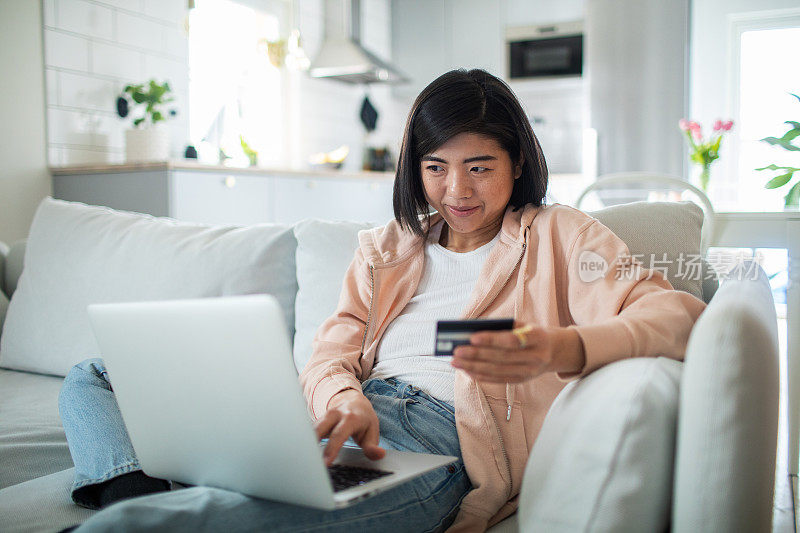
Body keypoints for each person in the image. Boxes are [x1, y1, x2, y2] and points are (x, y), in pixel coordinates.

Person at [58, 68, 707, 532]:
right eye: (436, 166)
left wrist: (566, 345)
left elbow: (676, 315)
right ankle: (132, 490)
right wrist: (345, 400)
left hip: (438, 440)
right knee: (96, 375)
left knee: (190, 521)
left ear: (516, 163)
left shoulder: (562, 234)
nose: (457, 188)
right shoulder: (385, 249)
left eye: (479, 165)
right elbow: (328, 354)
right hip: (340, 421)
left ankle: (138, 511)